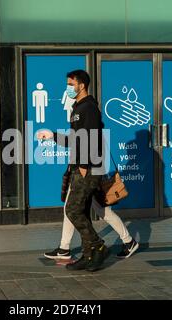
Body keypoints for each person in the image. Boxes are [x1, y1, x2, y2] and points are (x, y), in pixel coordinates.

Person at [37, 70, 111, 272]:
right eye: (68, 84)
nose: (68, 88)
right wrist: (52, 135)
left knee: (72, 210)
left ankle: (98, 246)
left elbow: (91, 138)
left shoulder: (89, 109)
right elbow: (75, 139)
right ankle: (88, 256)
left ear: (82, 85)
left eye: (71, 84)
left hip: (87, 168)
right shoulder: (78, 107)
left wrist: (85, 165)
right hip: (80, 165)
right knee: (83, 211)